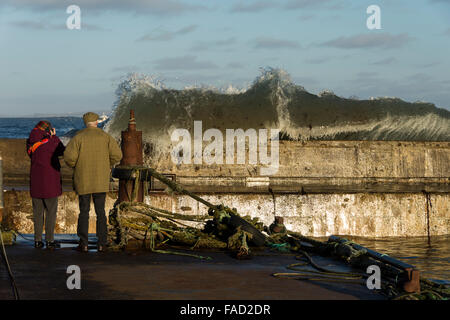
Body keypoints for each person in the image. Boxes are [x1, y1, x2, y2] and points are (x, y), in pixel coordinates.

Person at [64, 112, 122, 252]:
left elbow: (69, 157)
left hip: (83, 179)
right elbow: (117, 155)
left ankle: (83, 243)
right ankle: (102, 243)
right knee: (101, 211)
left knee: (84, 211)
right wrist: (109, 164)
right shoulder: (105, 137)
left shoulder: (78, 137)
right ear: (96, 122)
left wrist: (76, 166)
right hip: (101, 180)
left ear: (85, 123)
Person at [27, 120, 65, 249]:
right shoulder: (51, 141)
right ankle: (49, 240)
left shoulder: (31, 141)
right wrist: (54, 137)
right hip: (50, 182)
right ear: (48, 130)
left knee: (37, 213)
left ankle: (37, 240)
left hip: (36, 181)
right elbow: (62, 150)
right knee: (50, 212)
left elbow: (31, 154)